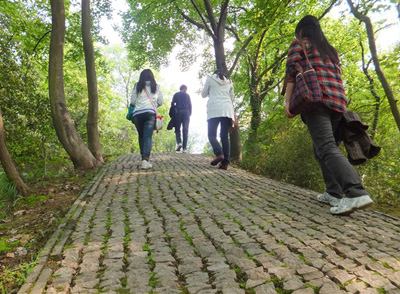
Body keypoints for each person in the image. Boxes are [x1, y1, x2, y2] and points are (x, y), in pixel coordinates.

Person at [284, 15, 373, 215]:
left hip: (316, 100)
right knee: (321, 148)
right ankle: (333, 192)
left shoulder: (299, 44)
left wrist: (288, 102)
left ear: (301, 31)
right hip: (338, 103)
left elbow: (291, 73)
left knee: (325, 146)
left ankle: (355, 192)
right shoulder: (331, 51)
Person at [201, 69, 235, 170]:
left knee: (211, 135)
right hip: (227, 109)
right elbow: (231, 97)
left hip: (214, 109)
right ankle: (225, 163)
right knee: (224, 136)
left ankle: (219, 153)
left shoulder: (210, 78)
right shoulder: (229, 82)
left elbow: (203, 94)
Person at [130, 69, 164, 169]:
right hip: (150, 113)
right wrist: (154, 105)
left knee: (141, 136)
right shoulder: (156, 86)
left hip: (137, 114)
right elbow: (161, 101)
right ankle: (145, 160)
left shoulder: (137, 85)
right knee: (148, 136)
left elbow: (132, 101)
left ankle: (143, 159)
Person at [171, 85, 192, 153]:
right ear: (185, 89)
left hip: (178, 112)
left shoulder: (176, 94)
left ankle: (179, 142)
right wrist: (189, 113)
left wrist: (174, 111)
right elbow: (190, 105)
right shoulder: (187, 95)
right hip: (186, 112)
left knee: (177, 129)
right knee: (185, 130)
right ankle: (185, 148)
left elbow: (172, 103)